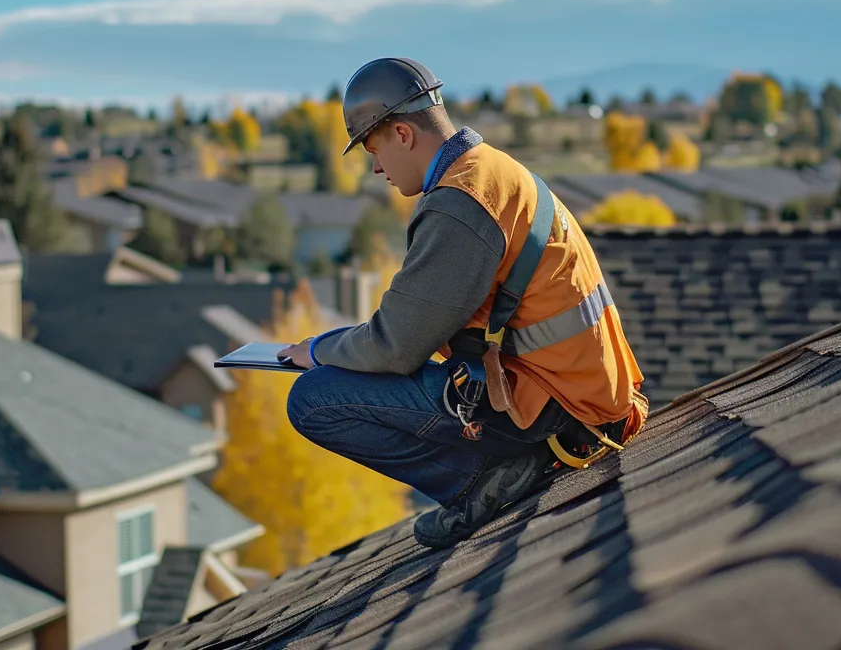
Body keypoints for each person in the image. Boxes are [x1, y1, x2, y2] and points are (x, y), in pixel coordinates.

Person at [277, 58, 649, 548]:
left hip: (558, 406)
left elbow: (396, 345)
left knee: (314, 398)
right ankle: (505, 469)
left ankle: (485, 484)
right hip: (587, 393)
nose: (375, 166)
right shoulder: (493, 172)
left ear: (403, 134)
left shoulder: (461, 202)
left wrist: (318, 349)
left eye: (373, 146)